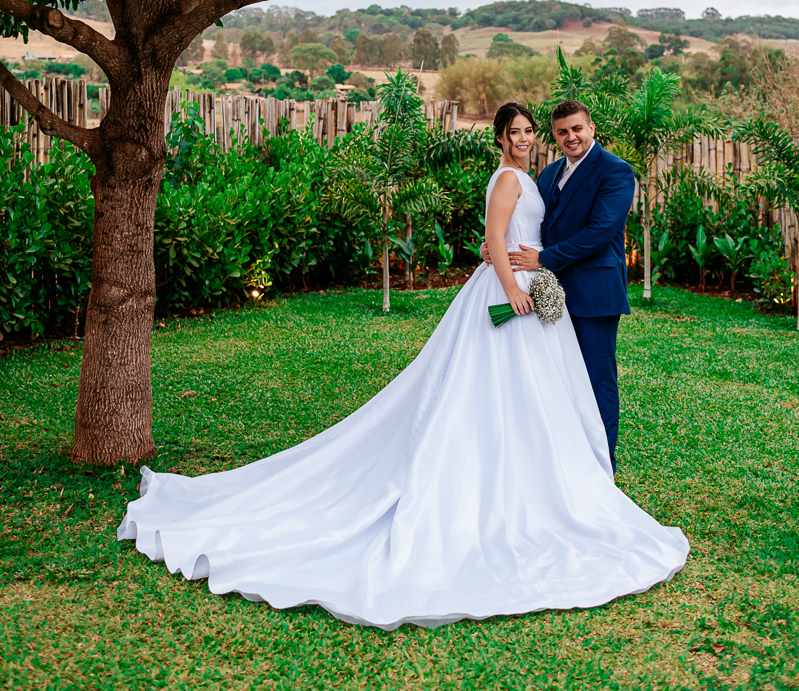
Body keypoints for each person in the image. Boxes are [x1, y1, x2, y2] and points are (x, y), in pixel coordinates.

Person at [119, 103, 687, 631]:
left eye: (554, 131)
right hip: (524, 291)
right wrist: (513, 277)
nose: (549, 138)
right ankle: (549, 481)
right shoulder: (526, 177)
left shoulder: (607, 172)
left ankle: (591, 475)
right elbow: (502, 232)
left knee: (585, 387)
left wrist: (533, 265)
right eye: (527, 132)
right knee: (517, 393)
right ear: (502, 138)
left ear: (585, 130)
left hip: (571, 291)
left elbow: (595, 230)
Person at [481, 98, 634, 471]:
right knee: (559, 380)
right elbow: (532, 227)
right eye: (563, 132)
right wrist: (496, 245)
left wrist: (543, 259)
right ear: (554, 135)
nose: (571, 137)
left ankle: (602, 465)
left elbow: (600, 232)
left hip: (594, 292)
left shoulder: (615, 171)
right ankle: (564, 462)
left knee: (596, 380)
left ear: (591, 128)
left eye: (577, 129)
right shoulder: (548, 175)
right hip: (549, 293)